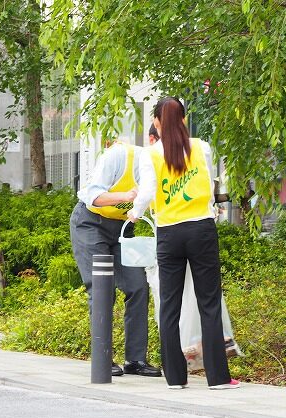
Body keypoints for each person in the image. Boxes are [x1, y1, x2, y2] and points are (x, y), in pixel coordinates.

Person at [129, 96, 238, 390]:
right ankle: (218, 378)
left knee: (169, 305)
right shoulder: (201, 148)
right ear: (184, 119)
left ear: (156, 122)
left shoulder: (150, 154)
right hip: (201, 229)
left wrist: (135, 213)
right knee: (209, 302)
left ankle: (175, 378)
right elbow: (211, 182)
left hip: (169, 233)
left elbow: (148, 191)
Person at [70, 142, 161, 378]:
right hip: (91, 224)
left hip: (122, 230)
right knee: (102, 288)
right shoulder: (119, 156)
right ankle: (102, 357)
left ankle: (135, 359)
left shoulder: (162, 169)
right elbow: (92, 196)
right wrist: (128, 196)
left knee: (138, 287)